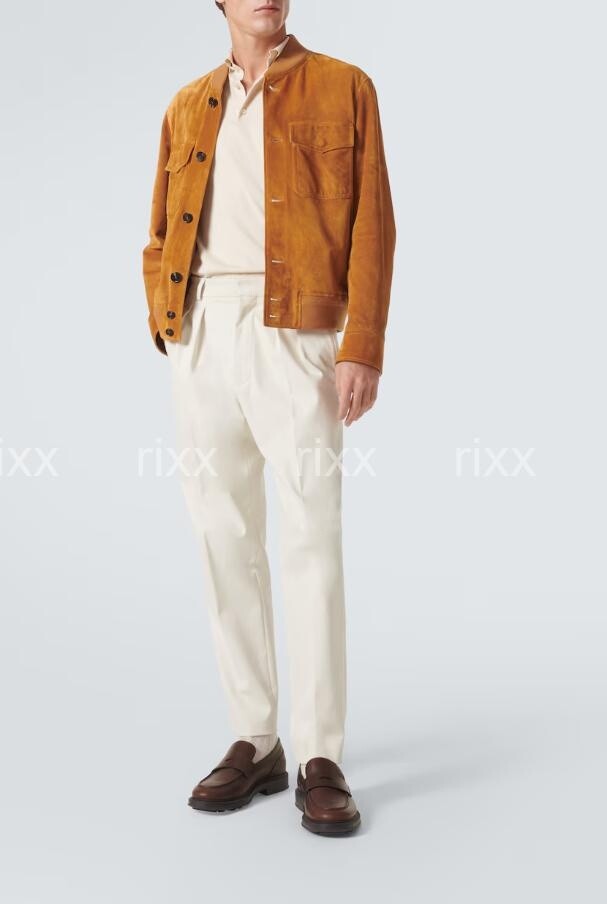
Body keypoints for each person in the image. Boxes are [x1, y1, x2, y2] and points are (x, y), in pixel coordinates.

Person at [141, 0, 395, 836]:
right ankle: (256, 738)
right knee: (223, 535)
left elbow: (373, 224)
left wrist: (361, 344)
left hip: (299, 330)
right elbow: (160, 227)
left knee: (312, 535)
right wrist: (168, 324)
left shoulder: (344, 86)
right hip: (203, 327)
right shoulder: (187, 104)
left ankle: (320, 753)